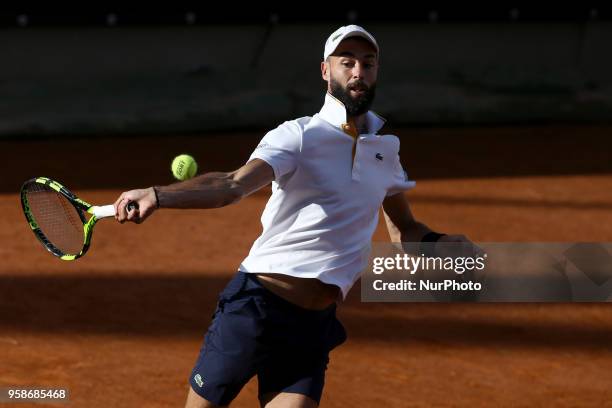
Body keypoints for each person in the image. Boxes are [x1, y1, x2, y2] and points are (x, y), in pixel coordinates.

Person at [114, 25, 477, 408]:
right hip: (256, 307)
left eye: (367, 64)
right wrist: (158, 195)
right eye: (347, 62)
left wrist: (439, 245)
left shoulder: (386, 149)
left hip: (313, 325)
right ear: (326, 71)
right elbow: (232, 184)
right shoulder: (298, 136)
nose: (358, 72)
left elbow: (405, 230)